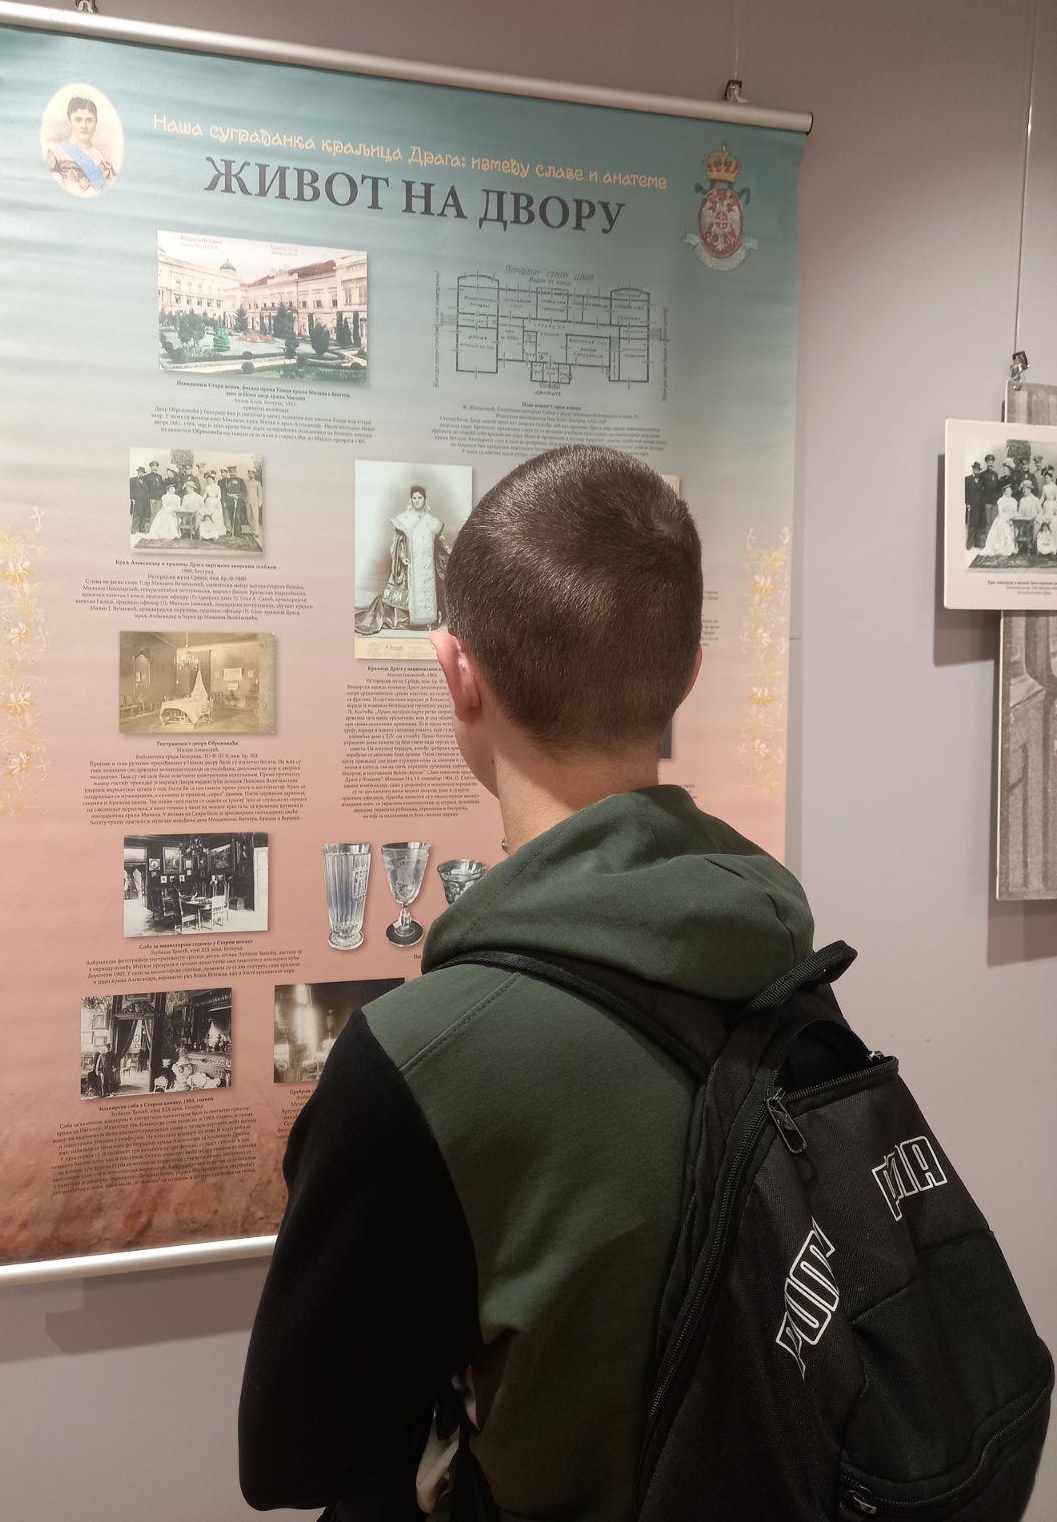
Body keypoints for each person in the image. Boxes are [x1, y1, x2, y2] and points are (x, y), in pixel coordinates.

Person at [239, 446, 815, 1522]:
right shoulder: (782, 961)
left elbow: (286, 1458)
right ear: (691, 671)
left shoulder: (419, 1059)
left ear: (456, 672)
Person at [355, 483, 450, 635]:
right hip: (410, 567)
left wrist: (449, 552)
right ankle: (406, 619)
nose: (417, 500)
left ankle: (427, 621)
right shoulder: (404, 519)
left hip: (427, 570)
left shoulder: (432, 522)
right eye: (414, 498)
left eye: (420, 497)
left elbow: (440, 544)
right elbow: (398, 543)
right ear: (411, 500)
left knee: (428, 593)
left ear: (425, 500)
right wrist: (402, 557)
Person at [45, 94, 116, 196]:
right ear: (70, 122)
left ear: (95, 124)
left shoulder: (104, 157)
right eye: (78, 120)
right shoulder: (56, 154)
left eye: (89, 120)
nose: (84, 126)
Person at [984, 485, 1019, 556]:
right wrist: (1006, 520)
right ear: (1004, 492)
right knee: (1005, 527)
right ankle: (1003, 547)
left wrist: (1013, 520)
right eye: (1007, 490)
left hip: (1012, 518)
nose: (1009, 492)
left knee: (1014, 528)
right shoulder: (1001, 500)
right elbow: (1000, 513)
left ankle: (1012, 546)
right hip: (1003, 518)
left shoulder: (1014, 501)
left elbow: (1015, 512)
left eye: (1010, 490)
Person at [199, 473, 226, 541]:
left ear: (213, 480)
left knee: (216, 515)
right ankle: (209, 531)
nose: (209, 481)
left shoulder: (217, 487)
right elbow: (205, 495)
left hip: (215, 501)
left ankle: (218, 530)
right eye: (208, 480)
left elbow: (219, 496)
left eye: (210, 479)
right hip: (208, 502)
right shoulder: (207, 487)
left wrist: (217, 502)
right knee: (208, 515)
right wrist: (201, 500)